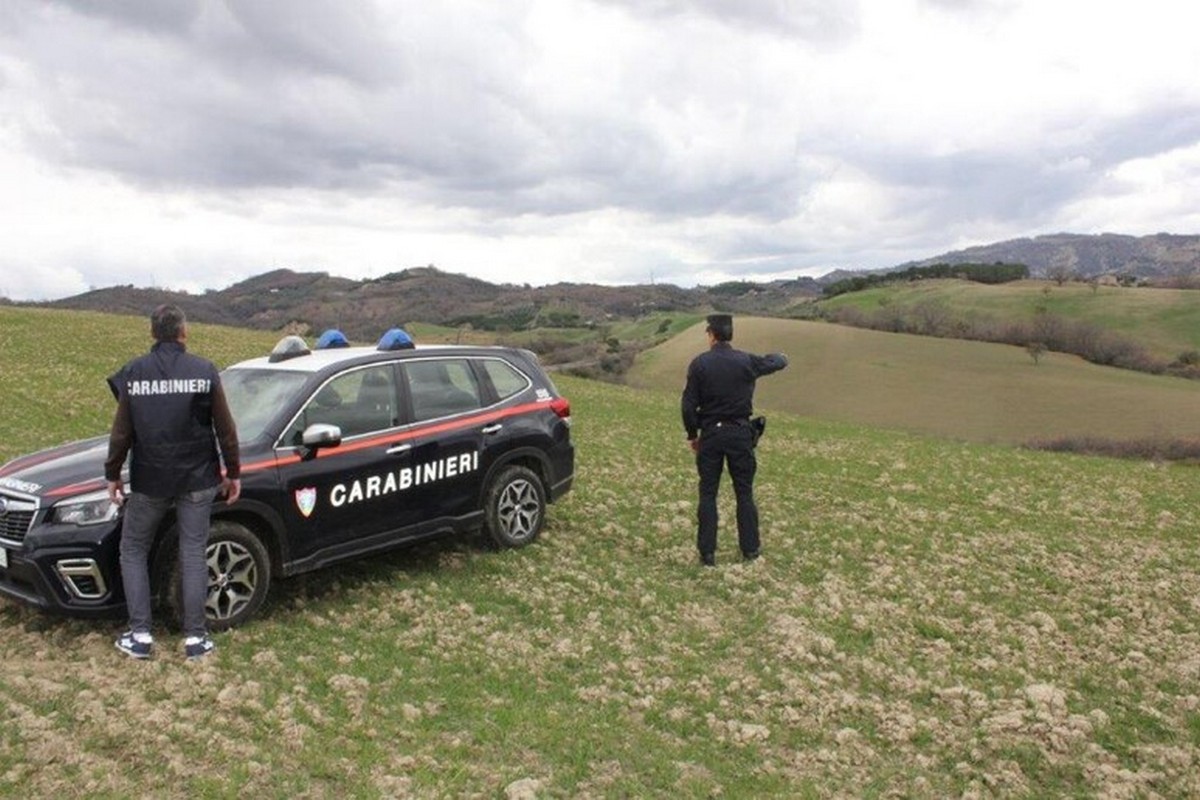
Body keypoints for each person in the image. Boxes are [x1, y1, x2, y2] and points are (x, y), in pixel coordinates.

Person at [105, 304, 241, 660]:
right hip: (198, 478)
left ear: (153, 333)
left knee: (133, 549)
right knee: (194, 550)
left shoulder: (133, 373)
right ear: (184, 332)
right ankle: (196, 639)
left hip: (150, 478)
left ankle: (140, 636)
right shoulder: (205, 371)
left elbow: (121, 432)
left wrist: (112, 474)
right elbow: (226, 430)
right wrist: (234, 472)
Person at [681, 314, 788, 567]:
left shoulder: (699, 364)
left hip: (711, 435)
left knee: (708, 494)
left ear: (711, 335)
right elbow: (776, 362)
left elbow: (687, 406)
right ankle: (750, 550)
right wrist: (783, 356)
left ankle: (707, 554)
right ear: (730, 335)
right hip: (741, 434)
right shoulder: (746, 361)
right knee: (744, 493)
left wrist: (693, 435)